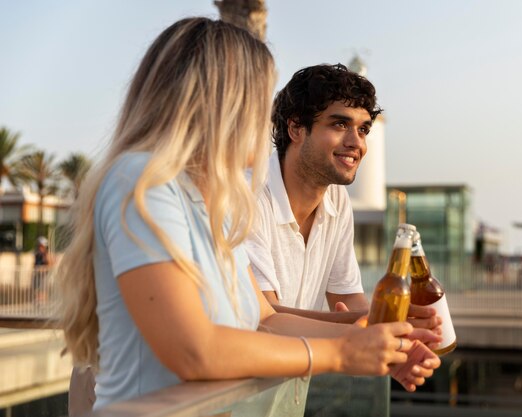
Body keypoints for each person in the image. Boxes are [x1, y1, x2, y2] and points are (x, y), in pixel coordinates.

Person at [56, 17, 440, 410]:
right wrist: (341, 355)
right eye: (258, 101)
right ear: (222, 103)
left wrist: (369, 338)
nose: (264, 121)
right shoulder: (141, 182)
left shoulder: (212, 204)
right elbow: (193, 350)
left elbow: (267, 319)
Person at [245, 64, 442, 335]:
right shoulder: (247, 195)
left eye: (363, 130)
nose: (356, 142)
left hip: (299, 372)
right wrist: (376, 328)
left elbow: (347, 300)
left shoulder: (337, 199)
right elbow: (263, 317)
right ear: (296, 128)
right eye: (340, 124)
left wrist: (392, 338)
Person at [33, 236, 52, 304]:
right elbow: (34, 263)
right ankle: (38, 301)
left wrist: (44, 268)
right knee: (37, 288)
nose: (40, 247)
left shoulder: (46, 254)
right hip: (38, 274)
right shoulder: (37, 254)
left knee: (43, 288)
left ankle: (43, 302)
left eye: (41, 246)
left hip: (44, 275)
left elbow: (49, 264)